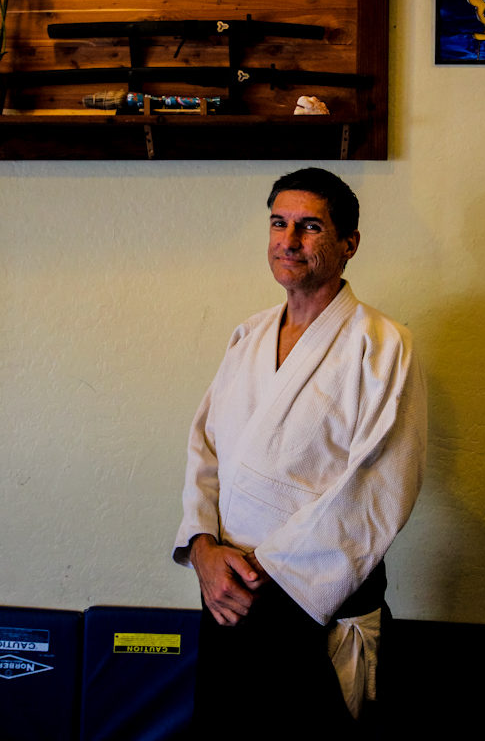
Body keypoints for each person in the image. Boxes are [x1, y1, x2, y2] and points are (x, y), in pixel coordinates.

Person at [173, 168, 427, 734]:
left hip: (311, 603)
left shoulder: (382, 345)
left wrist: (262, 569)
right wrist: (203, 548)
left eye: (309, 227)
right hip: (226, 596)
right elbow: (205, 449)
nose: (288, 241)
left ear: (349, 243)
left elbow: (380, 487)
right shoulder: (248, 336)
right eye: (278, 223)